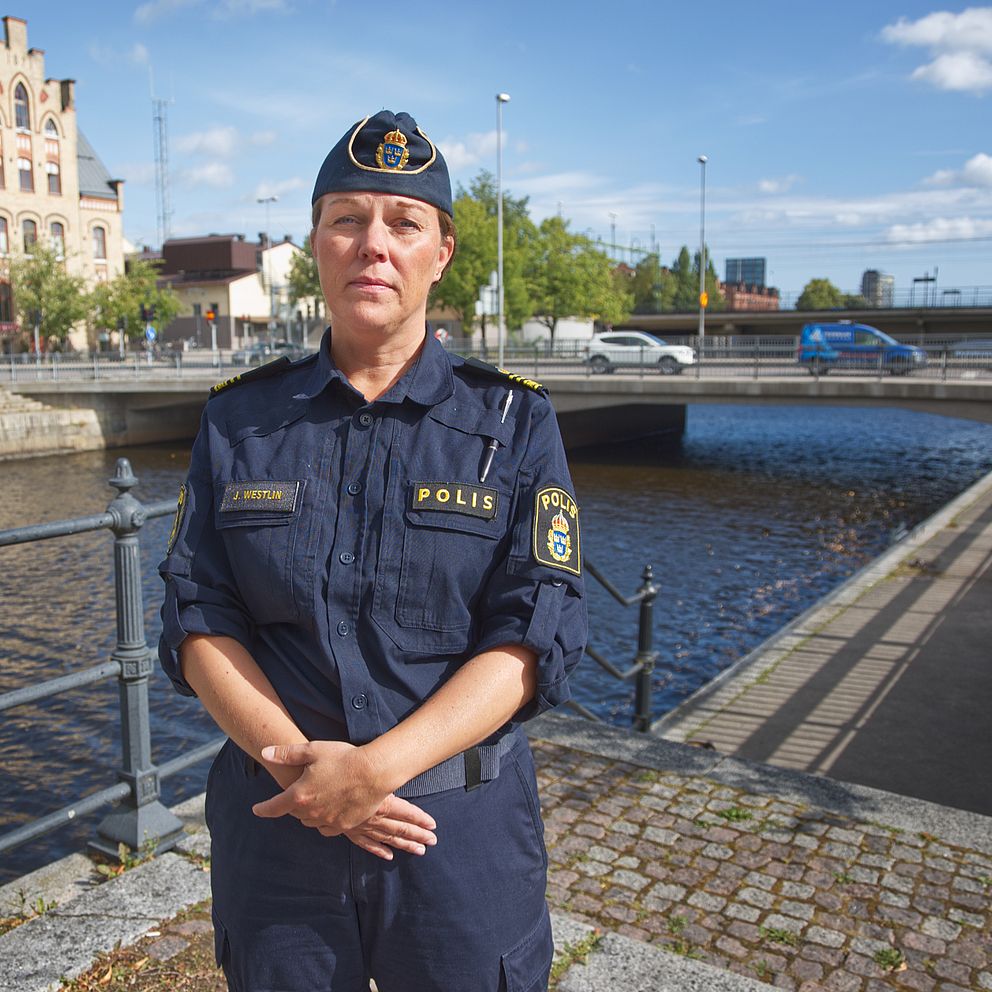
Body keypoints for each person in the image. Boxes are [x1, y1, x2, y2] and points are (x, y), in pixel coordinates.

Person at [158, 110, 586, 992]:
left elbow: (534, 631)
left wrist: (372, 774)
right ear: (316, 244)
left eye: (404, 223)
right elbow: (199, 616)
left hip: (453, 835)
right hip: (279, 829)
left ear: (443, 253)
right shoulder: (239, 419)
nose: (373, 245)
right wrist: (312, 777)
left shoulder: (513, 421)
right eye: (346, 219)